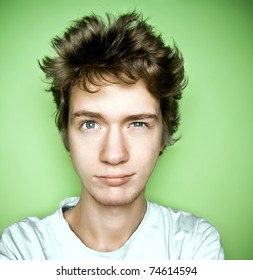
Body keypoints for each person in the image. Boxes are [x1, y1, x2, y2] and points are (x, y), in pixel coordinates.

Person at [0, 11, 224, 260]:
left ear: (164, 133)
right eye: (90, 124)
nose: (114, 155)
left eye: (137, 123)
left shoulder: (194, 245)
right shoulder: (22, 249)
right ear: (66, 134)